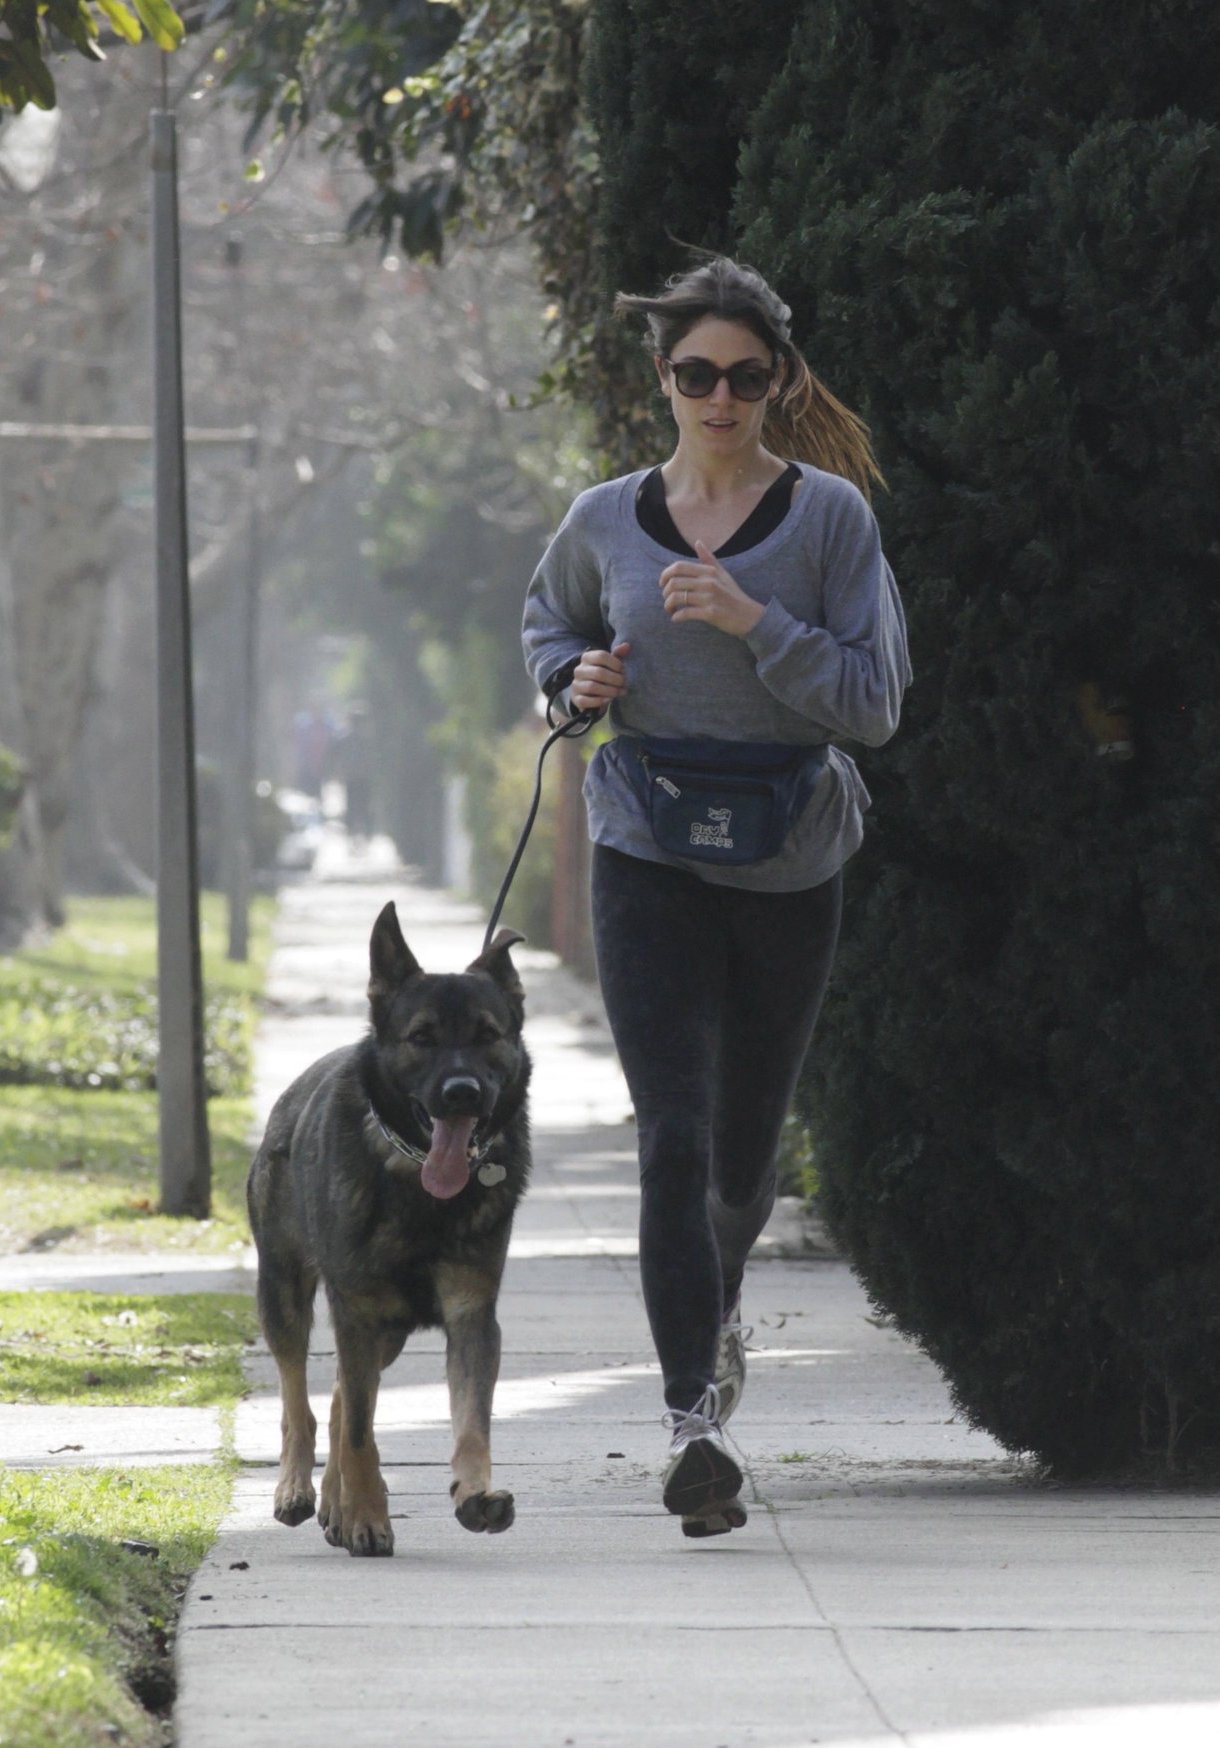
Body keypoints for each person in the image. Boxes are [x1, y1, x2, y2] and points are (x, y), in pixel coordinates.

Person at [521, 256, 911, 1537]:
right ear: (663, 378)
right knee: (671, 1133)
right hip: (645, 846)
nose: (722, 395)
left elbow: (874, 703)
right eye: (698, 373)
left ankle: (718, 1306)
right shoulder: (601, 518)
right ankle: (693, 1420)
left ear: (778, 380)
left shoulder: (829, 522)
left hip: (789, 854)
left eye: (747, 375)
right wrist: (573, 681)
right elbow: (546, 633)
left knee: (744, 1145)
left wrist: (755, 621)